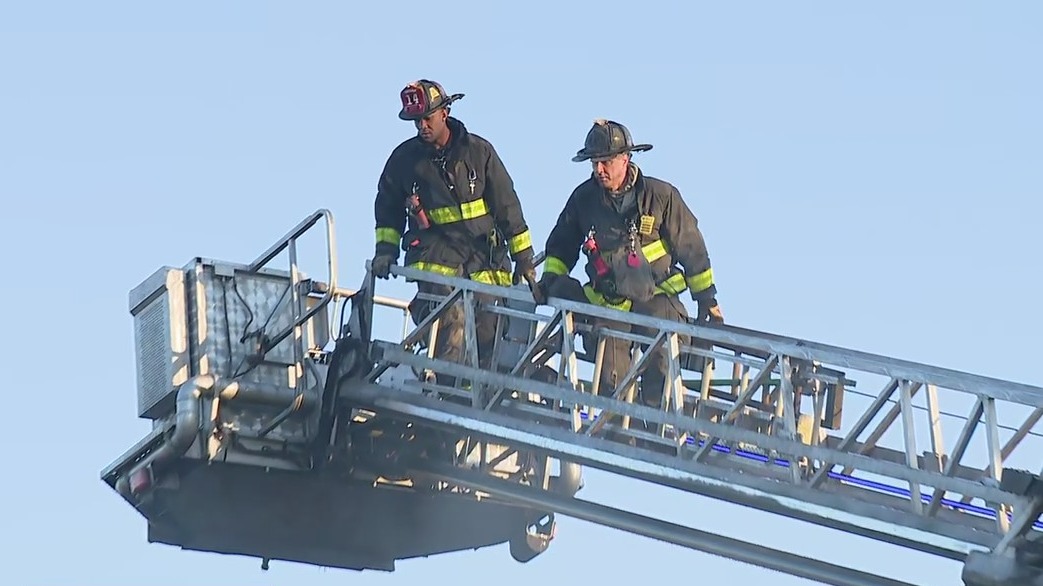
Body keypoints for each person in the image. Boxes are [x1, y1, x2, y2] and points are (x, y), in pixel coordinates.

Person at [537, 118, 724, 412]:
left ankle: (657, 427)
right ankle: (616, 429)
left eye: (606, 162)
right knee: (609, 374)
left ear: (626, 159)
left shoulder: (662, 198)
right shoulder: (583, 200)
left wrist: (707, 301)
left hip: (656, 300)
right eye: (594, 163)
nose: (599, 170)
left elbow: (693, 250)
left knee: (662, 355)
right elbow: (560, 246)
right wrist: (550, 281)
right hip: (609, 307)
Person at [371, 79, 538, 380]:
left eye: (427, 118)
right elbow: (387, 209)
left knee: (488, 328)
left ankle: (475, 392)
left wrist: (524, 257)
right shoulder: (404, 161)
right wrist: (385, 251)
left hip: (485, 260)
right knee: (449, 318)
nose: (421, 126)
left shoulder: (479, 153)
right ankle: (446, 387)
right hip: (435, 257)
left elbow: (507, 207)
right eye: (416, 121)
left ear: (444, 113)